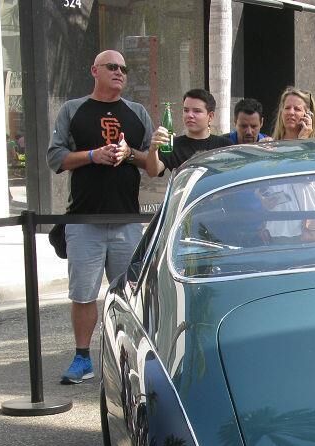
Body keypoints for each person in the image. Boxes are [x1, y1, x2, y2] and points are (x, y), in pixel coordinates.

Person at [46, 49, 154, 384]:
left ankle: (128, 360)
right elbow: (55, 158)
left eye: (124, 68)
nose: (120, 72)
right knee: (83, 293)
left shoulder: (137, 113)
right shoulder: (73, 110)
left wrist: (129, 153)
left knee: (127, 296)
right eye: (112, 67)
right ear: (95, 70)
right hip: (84, 221)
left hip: (127, 220)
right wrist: (93, 155)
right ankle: (82, 358)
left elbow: (154, 162)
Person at [145, 88, 231, 177]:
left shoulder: (224, 145)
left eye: (197, 111)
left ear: (210, 116)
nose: (190, 115)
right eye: (186, 110)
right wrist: (153, 149)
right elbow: (152, 172)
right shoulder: (173, 145)